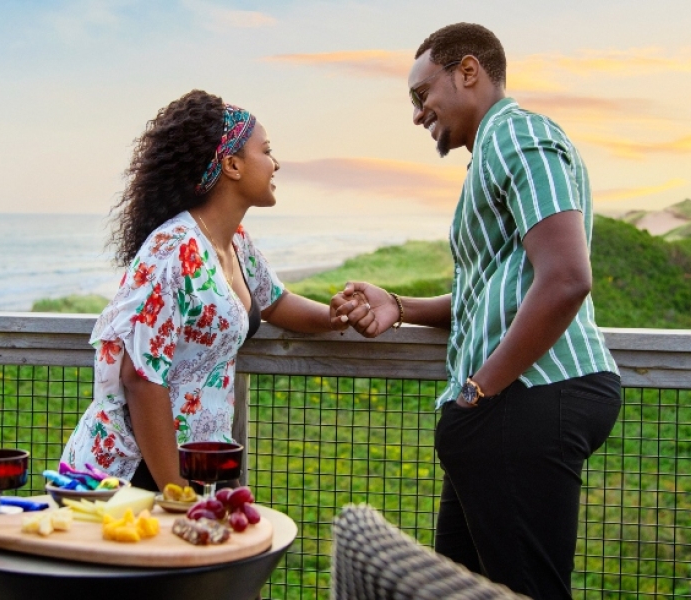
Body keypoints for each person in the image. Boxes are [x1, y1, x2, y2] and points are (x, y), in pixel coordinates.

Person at [331, 23, 621, 600]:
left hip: (525, 399)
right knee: (460, 589)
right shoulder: (493, 151)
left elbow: (566, 279)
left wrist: (477, 393)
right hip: (507, 409)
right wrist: (401, 305)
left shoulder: (516, 136)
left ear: (468, 71)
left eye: (421, 94)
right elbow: (492, 293)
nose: (417, 114)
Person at [62, 89, 345, 492]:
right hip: (137, 473)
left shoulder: (233, 241)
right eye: (266, 151)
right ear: (231, 164)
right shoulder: (172, 250)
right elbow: (140, 376)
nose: (276, 163)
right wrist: (176, 492)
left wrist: (334, 317)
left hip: (191, 463)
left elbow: (275, 301)